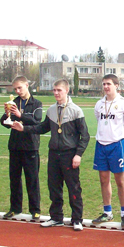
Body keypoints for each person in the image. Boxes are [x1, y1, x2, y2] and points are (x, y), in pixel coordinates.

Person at [12, 79, 89, 231]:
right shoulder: (51, 110)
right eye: (54, 90)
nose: (56, 93)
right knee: (54, 187)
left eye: (59, 90)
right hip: (54, 153)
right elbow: (42, 128)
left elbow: (85, 136)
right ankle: (56, 217)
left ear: (67, 90)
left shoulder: (76, 111)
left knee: (73, 188)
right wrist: (24, 129)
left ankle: (77, 219)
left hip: (69, 154)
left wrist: (78, 154)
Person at [91, 74, 124, 229]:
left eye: (108, 84)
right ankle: (107, 212)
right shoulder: (99, 104)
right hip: (101, 144)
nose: (106, 87)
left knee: (120, 180)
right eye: (103, 84)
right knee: (103, 179)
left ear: (116, 85)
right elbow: (99, 120)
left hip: (117, 145)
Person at [0, 76, 42, 220]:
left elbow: (37, 121)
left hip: (30, 146)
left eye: (20, 88)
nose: (17, 91)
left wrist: (20, 115)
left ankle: (35, 210)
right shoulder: (14, 102)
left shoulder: (36, 103)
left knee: (32, 179)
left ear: (27, 85)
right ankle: (15, 208)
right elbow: (3, 121)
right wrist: (7, 116)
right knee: (14, 179)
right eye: (15, 88)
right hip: (15, 146)